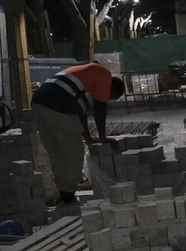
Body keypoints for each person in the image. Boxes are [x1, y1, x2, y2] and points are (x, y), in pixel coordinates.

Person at [30, 62, 125, 204]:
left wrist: (88, 138)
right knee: (74, 152)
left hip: (38, 102)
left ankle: (63, 194)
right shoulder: (104, 75)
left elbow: (81, 114)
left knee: (57, 153)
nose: (106, 98)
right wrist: (103, 137)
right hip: (58, 105)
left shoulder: (86, 77)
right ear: (112, 88)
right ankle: (68, 194)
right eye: (109, 97)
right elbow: (100, 108)